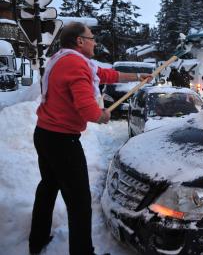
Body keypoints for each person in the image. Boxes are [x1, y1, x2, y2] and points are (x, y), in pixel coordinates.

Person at [29, 22, 152, 255]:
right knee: (80, 203)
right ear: (80, 41)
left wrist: (138, 76)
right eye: (92, 37)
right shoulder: (75, 64)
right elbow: (88, 109)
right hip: (61, 141)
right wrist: (102, 115)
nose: (95, 41)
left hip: (45, 134)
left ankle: (37, 241)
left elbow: (106, 74)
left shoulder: (63, 58)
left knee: (48, 187)